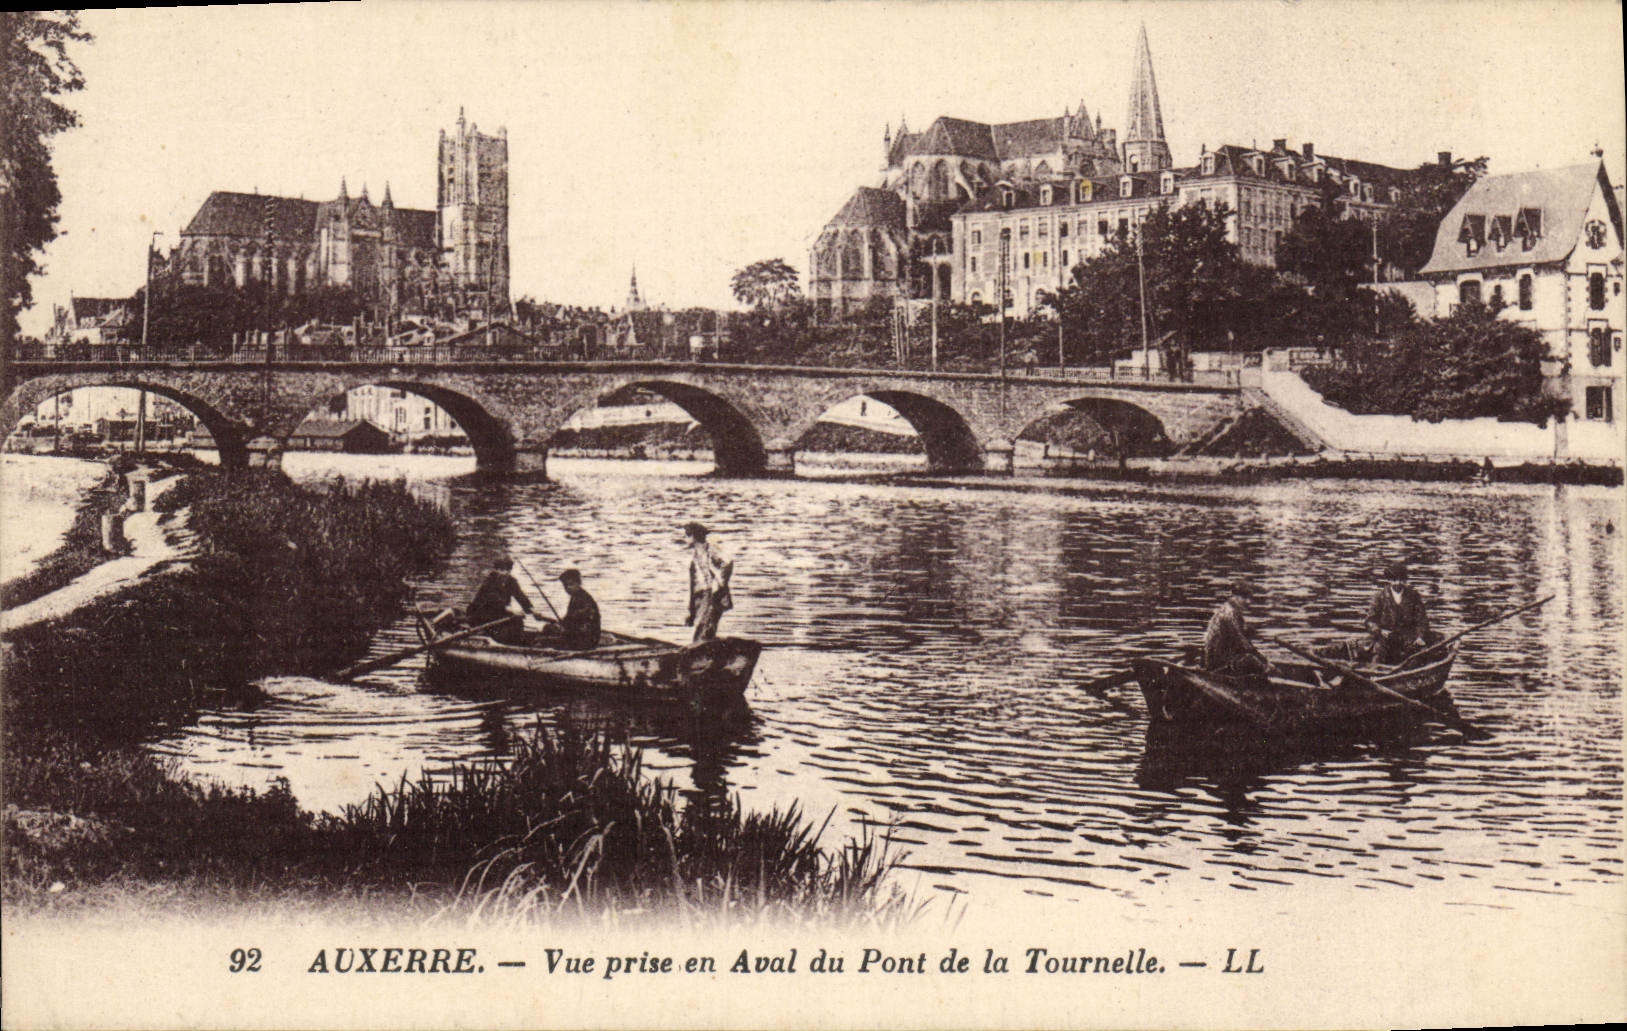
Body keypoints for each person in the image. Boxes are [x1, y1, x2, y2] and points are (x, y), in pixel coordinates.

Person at [1362, 560, 1431, 665]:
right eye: (1394, 580)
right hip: (1386, 638)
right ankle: (1376, 674)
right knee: (1378, 652)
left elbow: (1422, 620)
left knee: (1419, 655)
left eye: (1401, 580)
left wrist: (1420, 636)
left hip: (1408, 638)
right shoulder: (1380, 597)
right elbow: (1370, 621)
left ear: (1405, 580)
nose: (1397, 583)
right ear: (1389, 580)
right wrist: (1380, 631)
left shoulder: (1413, 596)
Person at [1203, 580, 1271, 676]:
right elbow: (1242, 642)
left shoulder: (1229, 609)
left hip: (1222, 656)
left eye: (1250, 598)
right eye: (1244, 597)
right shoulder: (1230, 614)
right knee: (1253, 661)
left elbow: (1240, 639)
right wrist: (1263, 661)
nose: (1249, 602)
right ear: (1234, 596)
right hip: (1219, 663)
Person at [683, 521, 733, 643]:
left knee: (703, 632)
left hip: (711, 595)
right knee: (704, 631)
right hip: (701, 597)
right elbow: (693, 585)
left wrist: (719, 583)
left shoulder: (710, 550)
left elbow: (727, 562)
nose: (685, 539)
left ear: (693, 536)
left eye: (687, 535)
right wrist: (692, 611)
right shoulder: (696, 556)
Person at [467, 556, 533, 644]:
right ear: (496, 570)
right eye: (501, 570)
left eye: (508, 570)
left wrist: (531, 609)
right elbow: (493, 598)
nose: (505, 573)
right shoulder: (490, 581)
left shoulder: (511, 581)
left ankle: (517, 643)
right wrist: (509, 609)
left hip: (499, 613)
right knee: (513, 621)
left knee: (518, 622)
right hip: (482, 613)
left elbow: (520, 596)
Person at [539, 569, 600, 651]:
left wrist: (564, 630)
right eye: (565, 585)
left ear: (579, 583)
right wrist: (544, 618)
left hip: (585, 641)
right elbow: (568, 620)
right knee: (547, 628)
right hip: (577, 637)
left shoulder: (584, 600)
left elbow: (585, 628)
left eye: (571, 584)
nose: (568, 588)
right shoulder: (575, 597)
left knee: (541, 641)